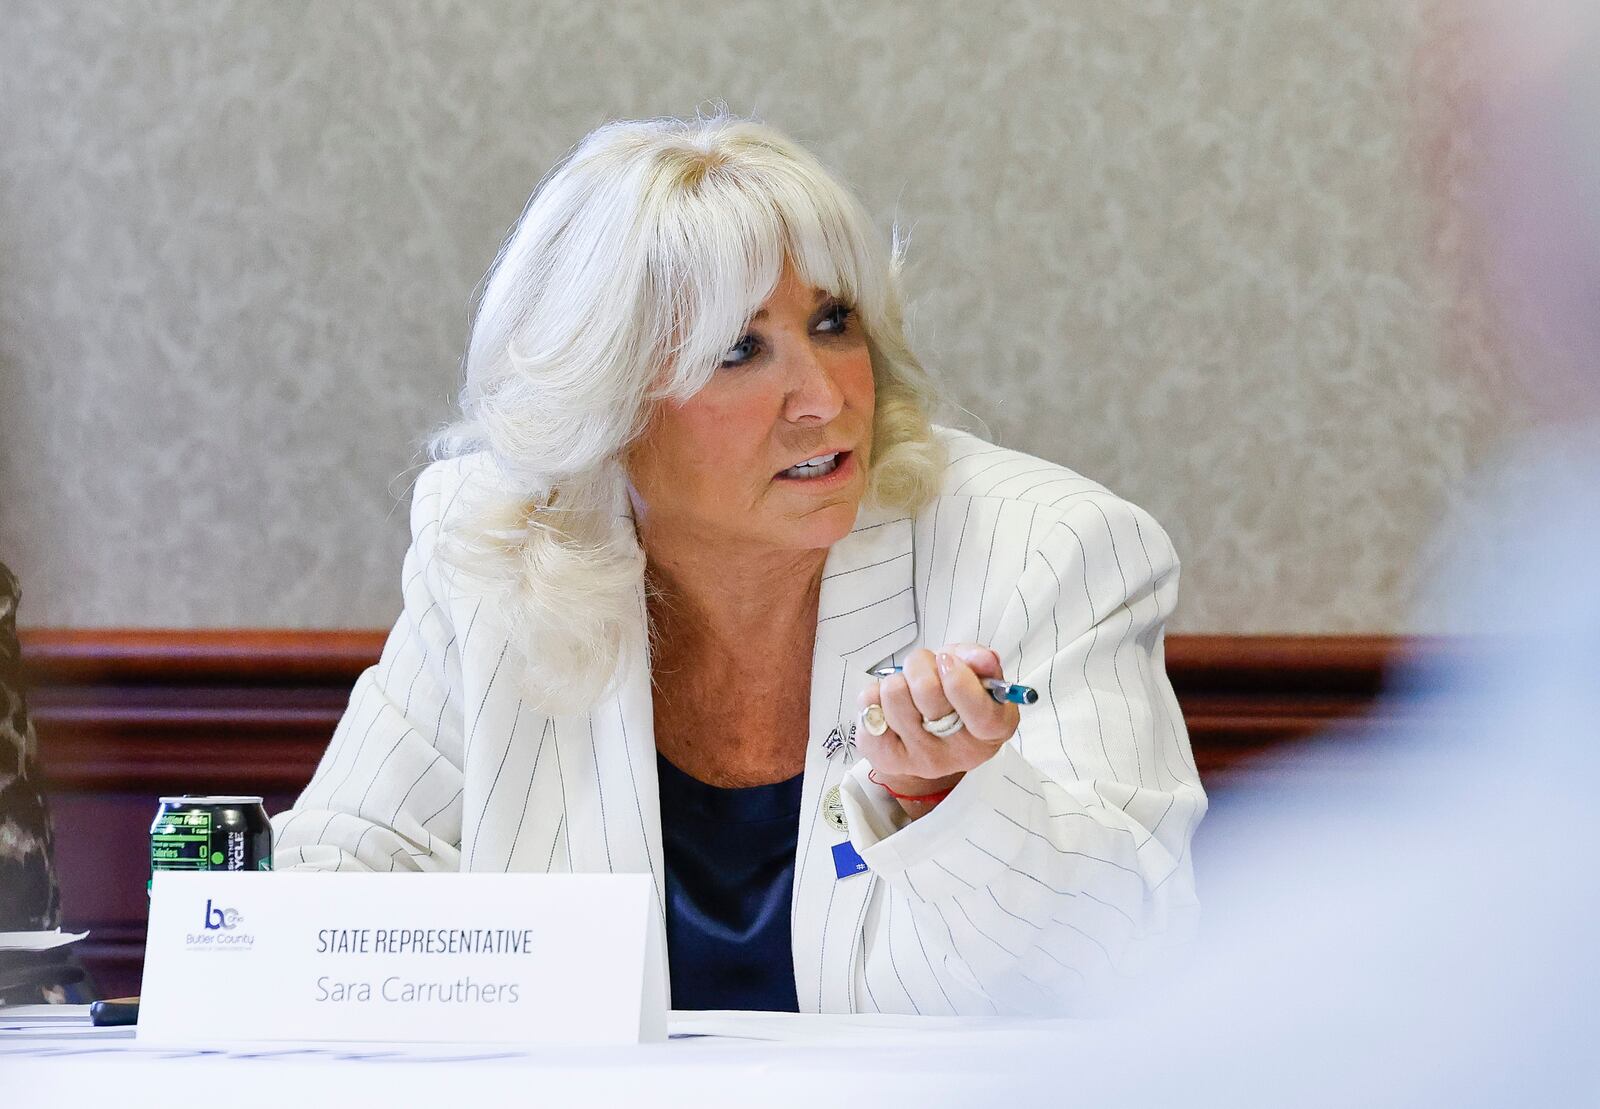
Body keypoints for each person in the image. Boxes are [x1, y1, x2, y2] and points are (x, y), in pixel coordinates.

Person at [271, 111, 1205, 1016]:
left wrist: (950, 802)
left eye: (834, 322)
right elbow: (334, 874)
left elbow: (1134, 959)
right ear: (606, 402)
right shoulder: (498, 545)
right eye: (739, 349)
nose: (825, 396)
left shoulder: (1052, 547)